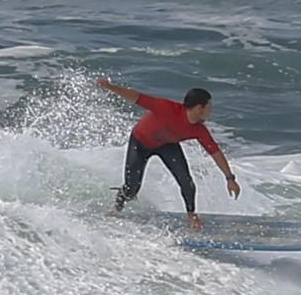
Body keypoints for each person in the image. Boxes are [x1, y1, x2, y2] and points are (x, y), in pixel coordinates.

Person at [96, 78, 241, 229]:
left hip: (166, 145)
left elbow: (215, 152)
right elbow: (136, 97)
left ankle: (192, 215)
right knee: (131, 188)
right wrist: (110, 87)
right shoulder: (166, 108)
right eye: (209, 106)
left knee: (186, 181)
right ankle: (116, 209)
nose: (211, 109)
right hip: (140, 142)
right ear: (200, 108)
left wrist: (230, 178)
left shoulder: (199, 130)